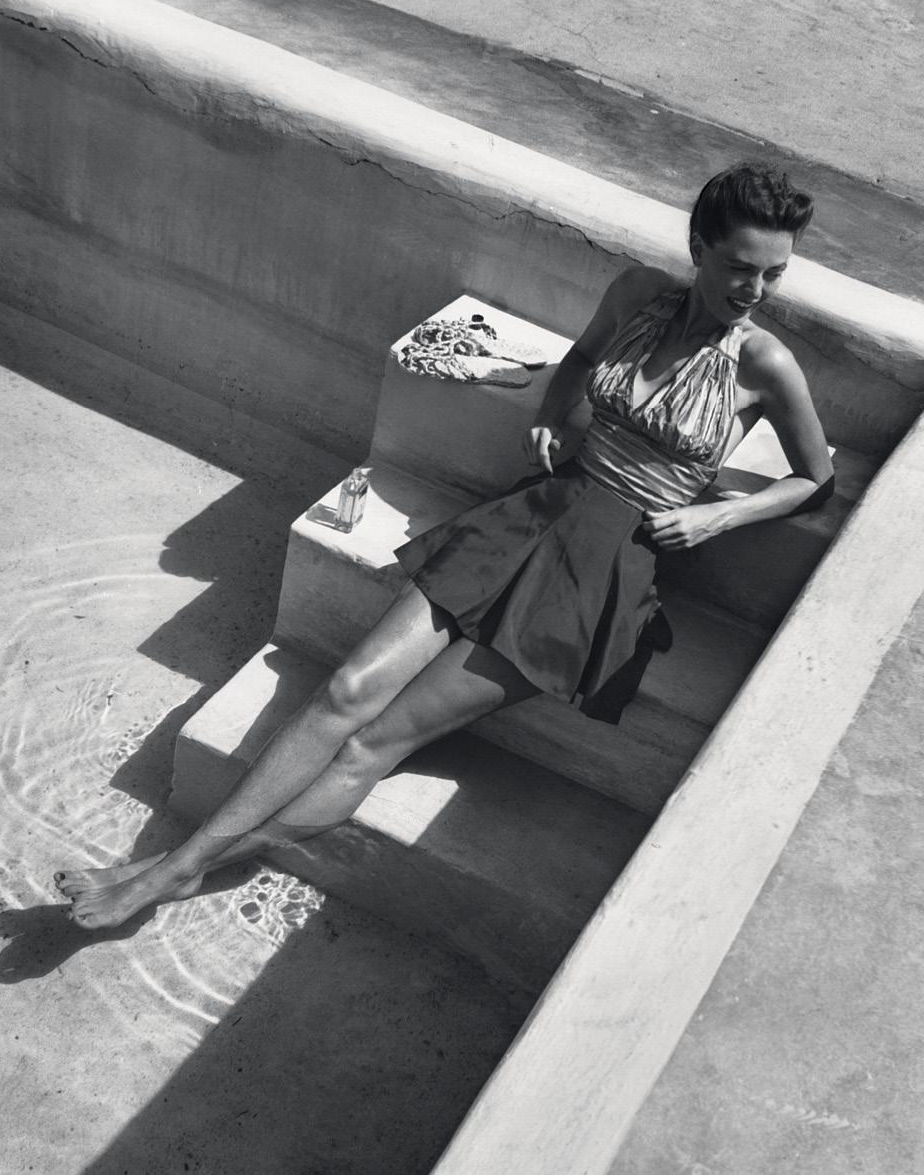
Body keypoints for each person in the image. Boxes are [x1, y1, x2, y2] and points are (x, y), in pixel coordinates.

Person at [56, 163, 834, 929]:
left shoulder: (765, 364)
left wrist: (716, 519)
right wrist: (554, 412)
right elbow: (581, 358)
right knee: (345, 691)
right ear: (699, 248)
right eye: (740, 267)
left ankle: (174, 870)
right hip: (534, 515)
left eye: (774, 274)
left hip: (603, 574)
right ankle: (179, 866)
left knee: (372, 743)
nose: (755, 290)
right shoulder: (637, 295)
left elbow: (814, 480)